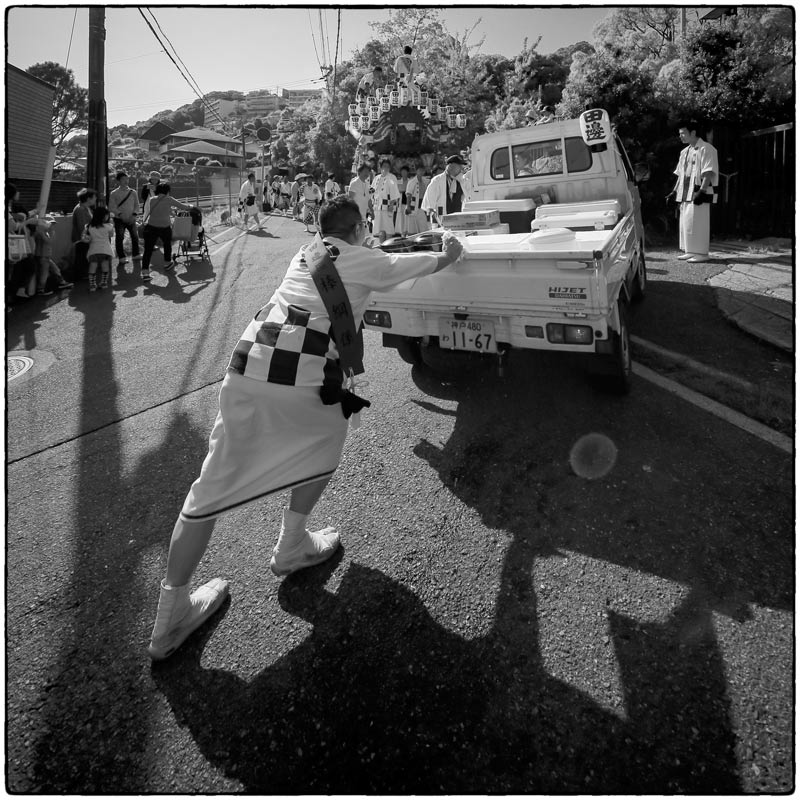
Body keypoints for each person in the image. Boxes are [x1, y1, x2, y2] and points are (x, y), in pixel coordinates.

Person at [146, 195, 464, 661]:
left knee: (207, 490)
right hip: (300, 371)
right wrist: (450, 251)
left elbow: (360, 263)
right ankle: (292, 543)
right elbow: (417, 263)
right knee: (329, 439)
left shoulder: (308, 253)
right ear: (359, 228)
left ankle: (169, 613)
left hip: (247, 363)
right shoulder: (365, 258)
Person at [671, 121, 719, 263]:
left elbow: (708, 172)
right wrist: (674, 191)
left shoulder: (707, 148)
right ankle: (690, 250)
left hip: (699, 191)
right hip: (685, 192)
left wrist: (702, 191)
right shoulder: (684, 152)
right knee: (686, 222)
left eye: (683, 133)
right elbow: (680, 174)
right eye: (680, 134)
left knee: (699, 222)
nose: (680, 136)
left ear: (693, 132)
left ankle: (702, 253)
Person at [141, 182, 192, 282]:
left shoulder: (152, 199)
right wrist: (191, 206)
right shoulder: (169, 199)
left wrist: (170, 211)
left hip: (151, 227)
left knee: (148, 250)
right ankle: (167, 263)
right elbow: (183, 207)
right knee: (167, 244)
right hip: (164, 227)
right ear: (167, 191)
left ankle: (145, 273)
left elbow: (159, 209)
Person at [27, 213, 73, 295]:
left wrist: (47, 233)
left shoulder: (46, 232)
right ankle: (41, 289)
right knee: (44, 273)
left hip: (46, 256)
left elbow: (48, 241)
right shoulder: (40, 232)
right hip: (42, 256)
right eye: (50, 224)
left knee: (55, 269)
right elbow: (46, 241)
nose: (52, 226)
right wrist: (48, 234)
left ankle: (61, 282)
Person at [421, 154, 467, 225]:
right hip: (441, 218)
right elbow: (430, 203)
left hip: (458, 218)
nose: (461, 168)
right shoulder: (437, 180)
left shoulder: (461, 180)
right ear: (451, 166)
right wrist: (433, 216)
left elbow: (468, 196)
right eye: (459, 166)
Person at [108, 171, 140, 269]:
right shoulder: (114, 193)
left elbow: (137, 205)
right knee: (119, 238)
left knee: (135, 237)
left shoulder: (133, 192)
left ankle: (136, 254)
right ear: (118, 181)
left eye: (127, 179)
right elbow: (111, 207)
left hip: (131, 219)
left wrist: (134, 215)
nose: (126, 181)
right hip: (119, 219)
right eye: (123, 179)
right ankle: (121, 257)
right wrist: (120, 215)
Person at [84, 205, 114, 292]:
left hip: (93, 250)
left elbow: (87, 237)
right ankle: (104, 283)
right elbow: (111, 235)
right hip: (105, 250)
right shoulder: (109, 226)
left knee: (93, 266)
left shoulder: (89, 226)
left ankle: (92, 285)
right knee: (105, 266)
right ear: (104, 216)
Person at [70, 188, 97, 281]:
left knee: (83, 257)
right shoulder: (80, 209)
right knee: (81, 257)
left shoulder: (85, 208)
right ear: (88, 199)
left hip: (85, 238)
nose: (95, 199)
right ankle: (80, 276)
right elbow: (83, 226)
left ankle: (83, 275)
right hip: (81, 238)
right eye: (94, 197)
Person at [371, 159, 400, 240]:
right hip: (377, 206)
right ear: (380, 167)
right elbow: (372, 190)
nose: (386, 168)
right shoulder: (376, 178)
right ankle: (382, 245)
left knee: (388, 228)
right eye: (384, 166)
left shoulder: (391, 177)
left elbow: (394, 191)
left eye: (387, 166)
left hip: (387, 206)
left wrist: (392, 204)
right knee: (380, 229)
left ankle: (388, 244)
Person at [403, 164, 430, 235]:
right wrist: (408, 206)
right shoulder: (412, 181)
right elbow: (408, 194)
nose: (421, 172)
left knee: (423, 227)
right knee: (412, 228)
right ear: (416, 171)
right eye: (420, 170)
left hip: (422, 206)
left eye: (422, 170)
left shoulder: (425, 181)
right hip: (413, 205)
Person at [395, 165, 410, 234]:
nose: (403, 173)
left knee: (407, 216)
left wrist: (403, 190)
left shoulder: (410, 181)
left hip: (408, 200)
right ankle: (401, 231)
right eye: (402, 172)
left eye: (405, 172)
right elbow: (397, 190)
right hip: (400, 200)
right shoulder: (398, 181)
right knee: (401, 216)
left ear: (407, 172)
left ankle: (407, 230)